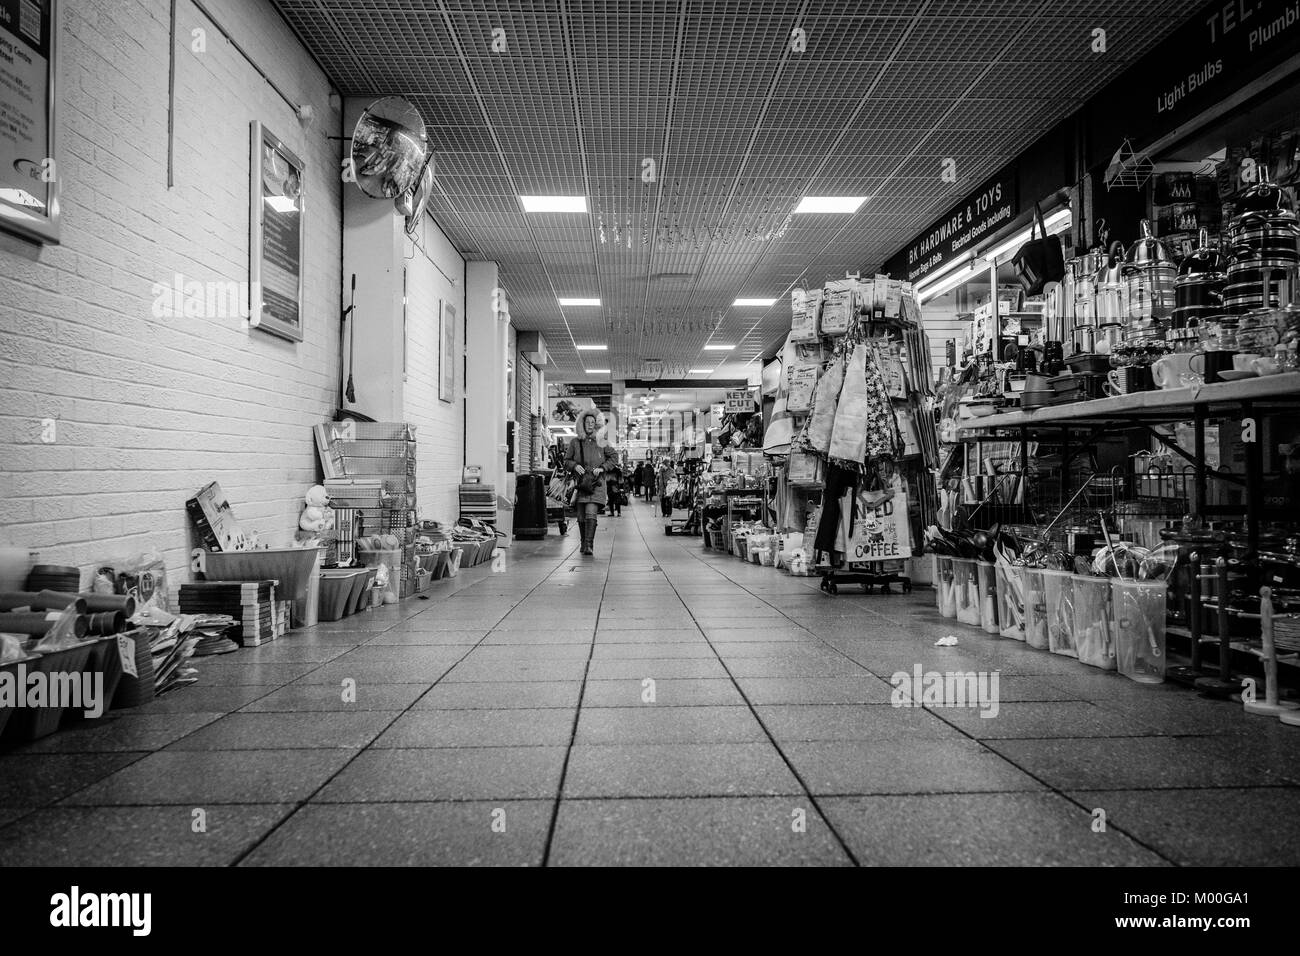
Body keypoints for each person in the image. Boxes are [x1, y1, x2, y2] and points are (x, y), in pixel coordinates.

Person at [564, 409, 617, 555]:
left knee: (590, 513)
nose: (590, 425)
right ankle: (583, 543)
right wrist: (574, 465)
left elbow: (614, 457)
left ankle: (589, 545)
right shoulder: (575, 442)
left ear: (597, 425)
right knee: (581, 518)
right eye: (587, 422)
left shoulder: (602, 442)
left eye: (593, 423)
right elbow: (566, 461)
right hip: (581, 485)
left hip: (596, 485)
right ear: (582, 424)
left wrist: (603, 468)